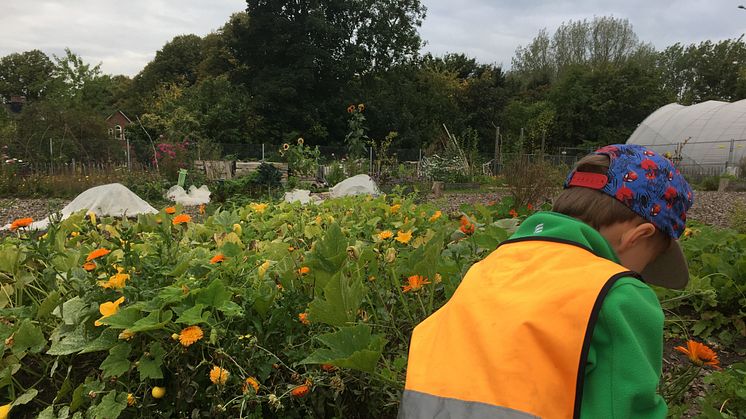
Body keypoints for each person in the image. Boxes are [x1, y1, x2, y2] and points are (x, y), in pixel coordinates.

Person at [399, 144, 694, 419]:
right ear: (637, 237)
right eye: (649, 261)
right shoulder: (618, 293)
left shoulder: (488, 268)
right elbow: (626, 410)